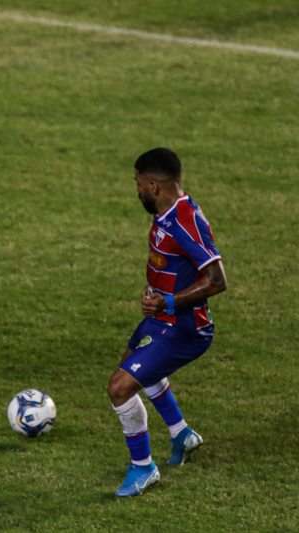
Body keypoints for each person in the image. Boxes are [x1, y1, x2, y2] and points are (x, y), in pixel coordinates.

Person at [107, 148, 227, 497]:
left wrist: (169, 300)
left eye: (139, 184)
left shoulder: (184, 221)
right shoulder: (168, 211)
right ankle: (182, 434)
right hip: (162, 319)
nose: (138, 190)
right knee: (133, 372)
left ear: (155, 186)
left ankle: (144, 469)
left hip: (186, 329)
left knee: (119, 387)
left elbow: (217, 281)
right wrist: (156, 292)